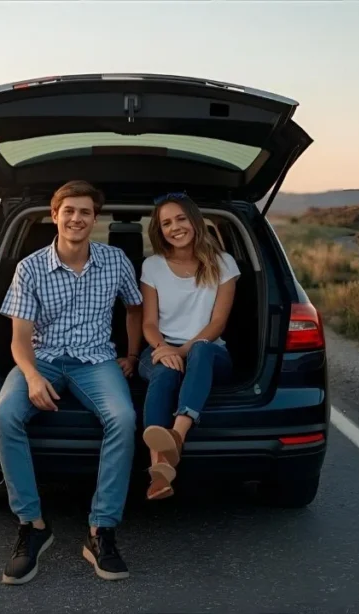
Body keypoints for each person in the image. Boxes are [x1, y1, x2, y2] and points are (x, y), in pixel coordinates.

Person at [0, 179, 144, 585]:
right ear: (55, 216)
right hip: (41, 357)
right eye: (69, 211)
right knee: (5, 414)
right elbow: (20, 340)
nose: (77, 218)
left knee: (123, 418)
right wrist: (32, 376)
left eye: (85, 212)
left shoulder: (115, 261)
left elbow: (134, 308)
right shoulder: (30, 268)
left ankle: (101, 530)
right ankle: (33, 525)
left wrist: (131, 355)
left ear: (95, 218)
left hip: (96, 360)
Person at [137, 192, 240, 500]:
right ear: (159, 230)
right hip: (161, 345)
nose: (175, 227)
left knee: (201, 349)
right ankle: (159, 473)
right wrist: (165, 349)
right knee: (164, 372)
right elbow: (148, 324)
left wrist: (182, 352)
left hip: (209, 352)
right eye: (166, 223)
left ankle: (176, 437)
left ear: (195, 222)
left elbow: (217, 323)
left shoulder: (224, 263)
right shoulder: (153, 266)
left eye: (181, 219)